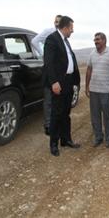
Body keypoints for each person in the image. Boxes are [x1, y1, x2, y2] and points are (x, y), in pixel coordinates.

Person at [43, 16, 81, 156]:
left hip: (68, 82)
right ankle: (53, 144)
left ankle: (66, 140)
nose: (72, 31)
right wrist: (54, 82)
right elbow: (49, 63)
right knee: (56, 114)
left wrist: (75, 82)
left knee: (66, 113)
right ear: (65, 28)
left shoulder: (66, 41)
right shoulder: (52, 39)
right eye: (71, 28)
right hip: (58, 83)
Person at [85, 32, 109, 148]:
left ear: (104, 40)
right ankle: (98, 137)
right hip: (94, 90)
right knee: (95, 115)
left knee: (107, 115)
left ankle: (108, 138)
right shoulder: (92, 54)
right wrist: (87, 86)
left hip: (105, 91)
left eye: (98, 39)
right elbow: (89, 70)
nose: (96, 41)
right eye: (95, 39)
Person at [32, 14, 62, 135]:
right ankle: (48, 125)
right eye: (55, 21)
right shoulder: (48, 31)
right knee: (49, 99)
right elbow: (34, 41)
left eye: (59, 21)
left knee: (57, 99)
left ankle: (56, 122)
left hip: (58, 70)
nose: (56, 23)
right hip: (49, 68)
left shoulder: (62, 36)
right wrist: (43, 54)